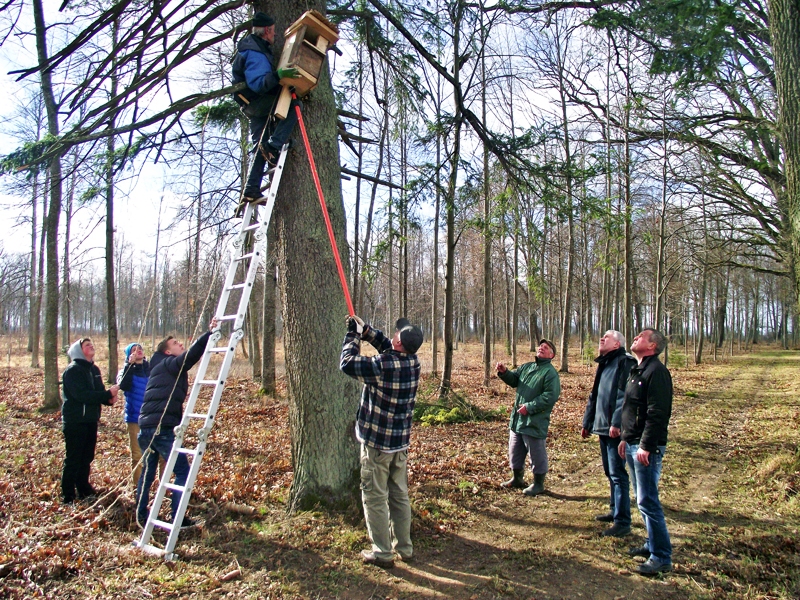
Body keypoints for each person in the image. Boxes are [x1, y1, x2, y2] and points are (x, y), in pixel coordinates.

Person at [340, 316, 423, 569]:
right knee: (399, 496)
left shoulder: (382, 366)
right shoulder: (413, 362)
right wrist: (366, 331)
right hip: (399, 445)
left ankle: (383, 553)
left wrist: (353, 336)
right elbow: (388, 347)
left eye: (397, 333)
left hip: (377, 445)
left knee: (375, 498)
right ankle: (404, 548)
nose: (394, 334)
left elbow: (347, 363)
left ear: (399, 342)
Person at [135, 317, 217, 528]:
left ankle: (141, 515)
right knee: (182, 472)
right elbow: (190, 356)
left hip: (146, 428)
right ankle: (178, 518)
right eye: (175, 343)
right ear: (167, 351)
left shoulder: (157, 367)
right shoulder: (168, 364)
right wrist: (208, 334)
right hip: (161, 429)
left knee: (147, 472)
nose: (180, 344)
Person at [618, 328, 673, 575]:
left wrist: (646, 445)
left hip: (646, 447)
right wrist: (625, 438)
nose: (635, 337)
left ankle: (661, 556)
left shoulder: (657, 372)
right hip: (632, 443)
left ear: (652, 346)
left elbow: (657, 413)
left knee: (648, 500)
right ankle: (651, 544)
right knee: (642, 498)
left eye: (641, 336)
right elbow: (631, 409)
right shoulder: (637, 370)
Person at [232, 12, 300, 204]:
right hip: (256, 101)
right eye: (274, 31)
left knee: (259, 145)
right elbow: (258, 84)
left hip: (249, 103)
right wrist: (279, 76)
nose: (275, 35)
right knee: (294, 105)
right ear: (267, 30)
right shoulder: (255, 51)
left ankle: (251, 188)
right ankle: (274, 146)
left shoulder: (253, 47)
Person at [581, 330, 636, 537]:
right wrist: (588, 422)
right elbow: (595, 395)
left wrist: (616, 423)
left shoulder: (625, 362)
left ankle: (623, 521)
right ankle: (614, 510)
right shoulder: (605, 363)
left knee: (618, 474)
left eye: (607, 337)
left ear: (617, 344)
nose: (602, 339)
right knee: (609, 472)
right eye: (602, 336)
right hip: (602, 427)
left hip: (614, 429)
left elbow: (624, 396)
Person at [496, 339, 561, 496]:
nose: (541, 348)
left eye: (546, 348)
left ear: (551, 355)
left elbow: (550, 396)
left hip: (534, 421)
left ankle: (538, 484)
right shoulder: (527, 367)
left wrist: (530, 407)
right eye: (541, 346)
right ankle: (517, 478)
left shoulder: (550, 373)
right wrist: (504, 372)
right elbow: (514, 380)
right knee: (515, 451)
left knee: (536, 454)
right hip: (518, 418)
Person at [61, 338, 119, 504]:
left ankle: (83, 488)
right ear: (79, 350)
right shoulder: (72, 370)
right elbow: (82, 395)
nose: (91, 346)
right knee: (74, 458)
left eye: (92, 344)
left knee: (87, 457)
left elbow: (99, 392)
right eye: (87, 345)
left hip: (91, 420)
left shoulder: (94, 369)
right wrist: (107, 394)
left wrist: (108, 400)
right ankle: (68, 495)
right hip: (75, 421)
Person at [117, 343, 150, 488]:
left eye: (140, 349)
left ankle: (157, 487)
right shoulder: (125, 370)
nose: (138, 351)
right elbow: (123, 385)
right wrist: (129, 366)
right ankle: (137, 487)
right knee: (137, 455)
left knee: (158, 454)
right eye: (134, 350)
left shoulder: (150, 369)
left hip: (151, 418)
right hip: (134, 418)